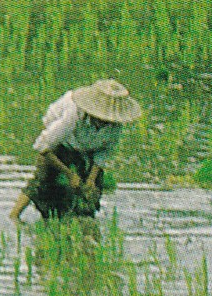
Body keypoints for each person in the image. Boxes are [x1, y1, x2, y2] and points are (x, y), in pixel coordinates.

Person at [9, 78, 143, 221]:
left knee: (90, 193)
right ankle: (14, 217)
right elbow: (43, 147)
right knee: (41, 181)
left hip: (88, 148)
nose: (105, 123)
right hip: (60, 143)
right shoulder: (72, 115)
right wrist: (70, 174)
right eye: (101, 119)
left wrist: (91, 179)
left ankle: (82, 223)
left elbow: (104, 151)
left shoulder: (115, 126)